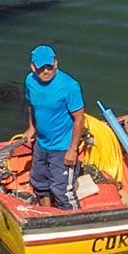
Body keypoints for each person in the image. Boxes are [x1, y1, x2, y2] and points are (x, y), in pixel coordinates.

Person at [23, 45, 86, 209]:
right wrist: (32, 127)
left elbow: (79, 119)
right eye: (41, 67)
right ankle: (46, 212)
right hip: (42, 144)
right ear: (33, 67)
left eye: (49, 66)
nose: (45, 71)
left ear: (56, 63)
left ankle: (75, 222)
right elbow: (32, 105)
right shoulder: (30, 81)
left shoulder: (69, 86)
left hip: (62, 148)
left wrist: (72, 150)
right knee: (39, 182)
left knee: (61, 191)